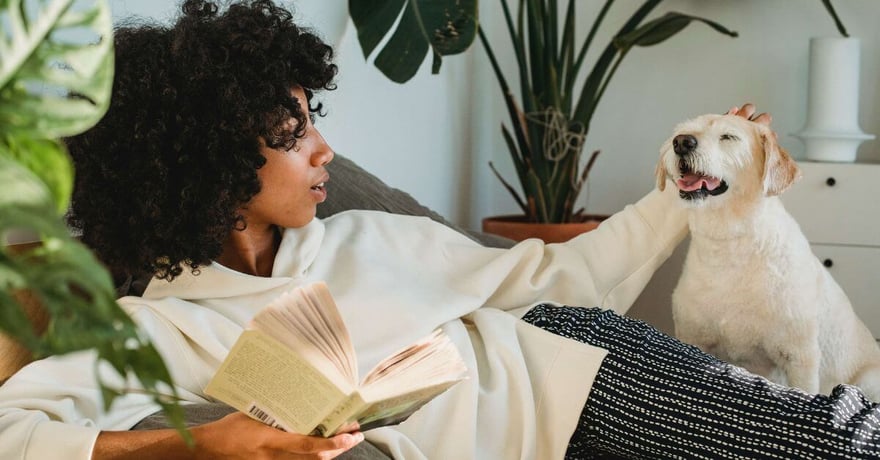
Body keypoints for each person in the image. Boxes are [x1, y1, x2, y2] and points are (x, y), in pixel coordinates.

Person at [0, 0, 879, 459]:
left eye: (314, 120)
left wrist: (684, 187)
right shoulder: (151, 326)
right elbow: (16, 430)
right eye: (294, 131)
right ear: (207, 159)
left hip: (570, 365)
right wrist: (195, 447)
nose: (324, 151)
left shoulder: (363, 237)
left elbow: (551, 280)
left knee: (827, 437)